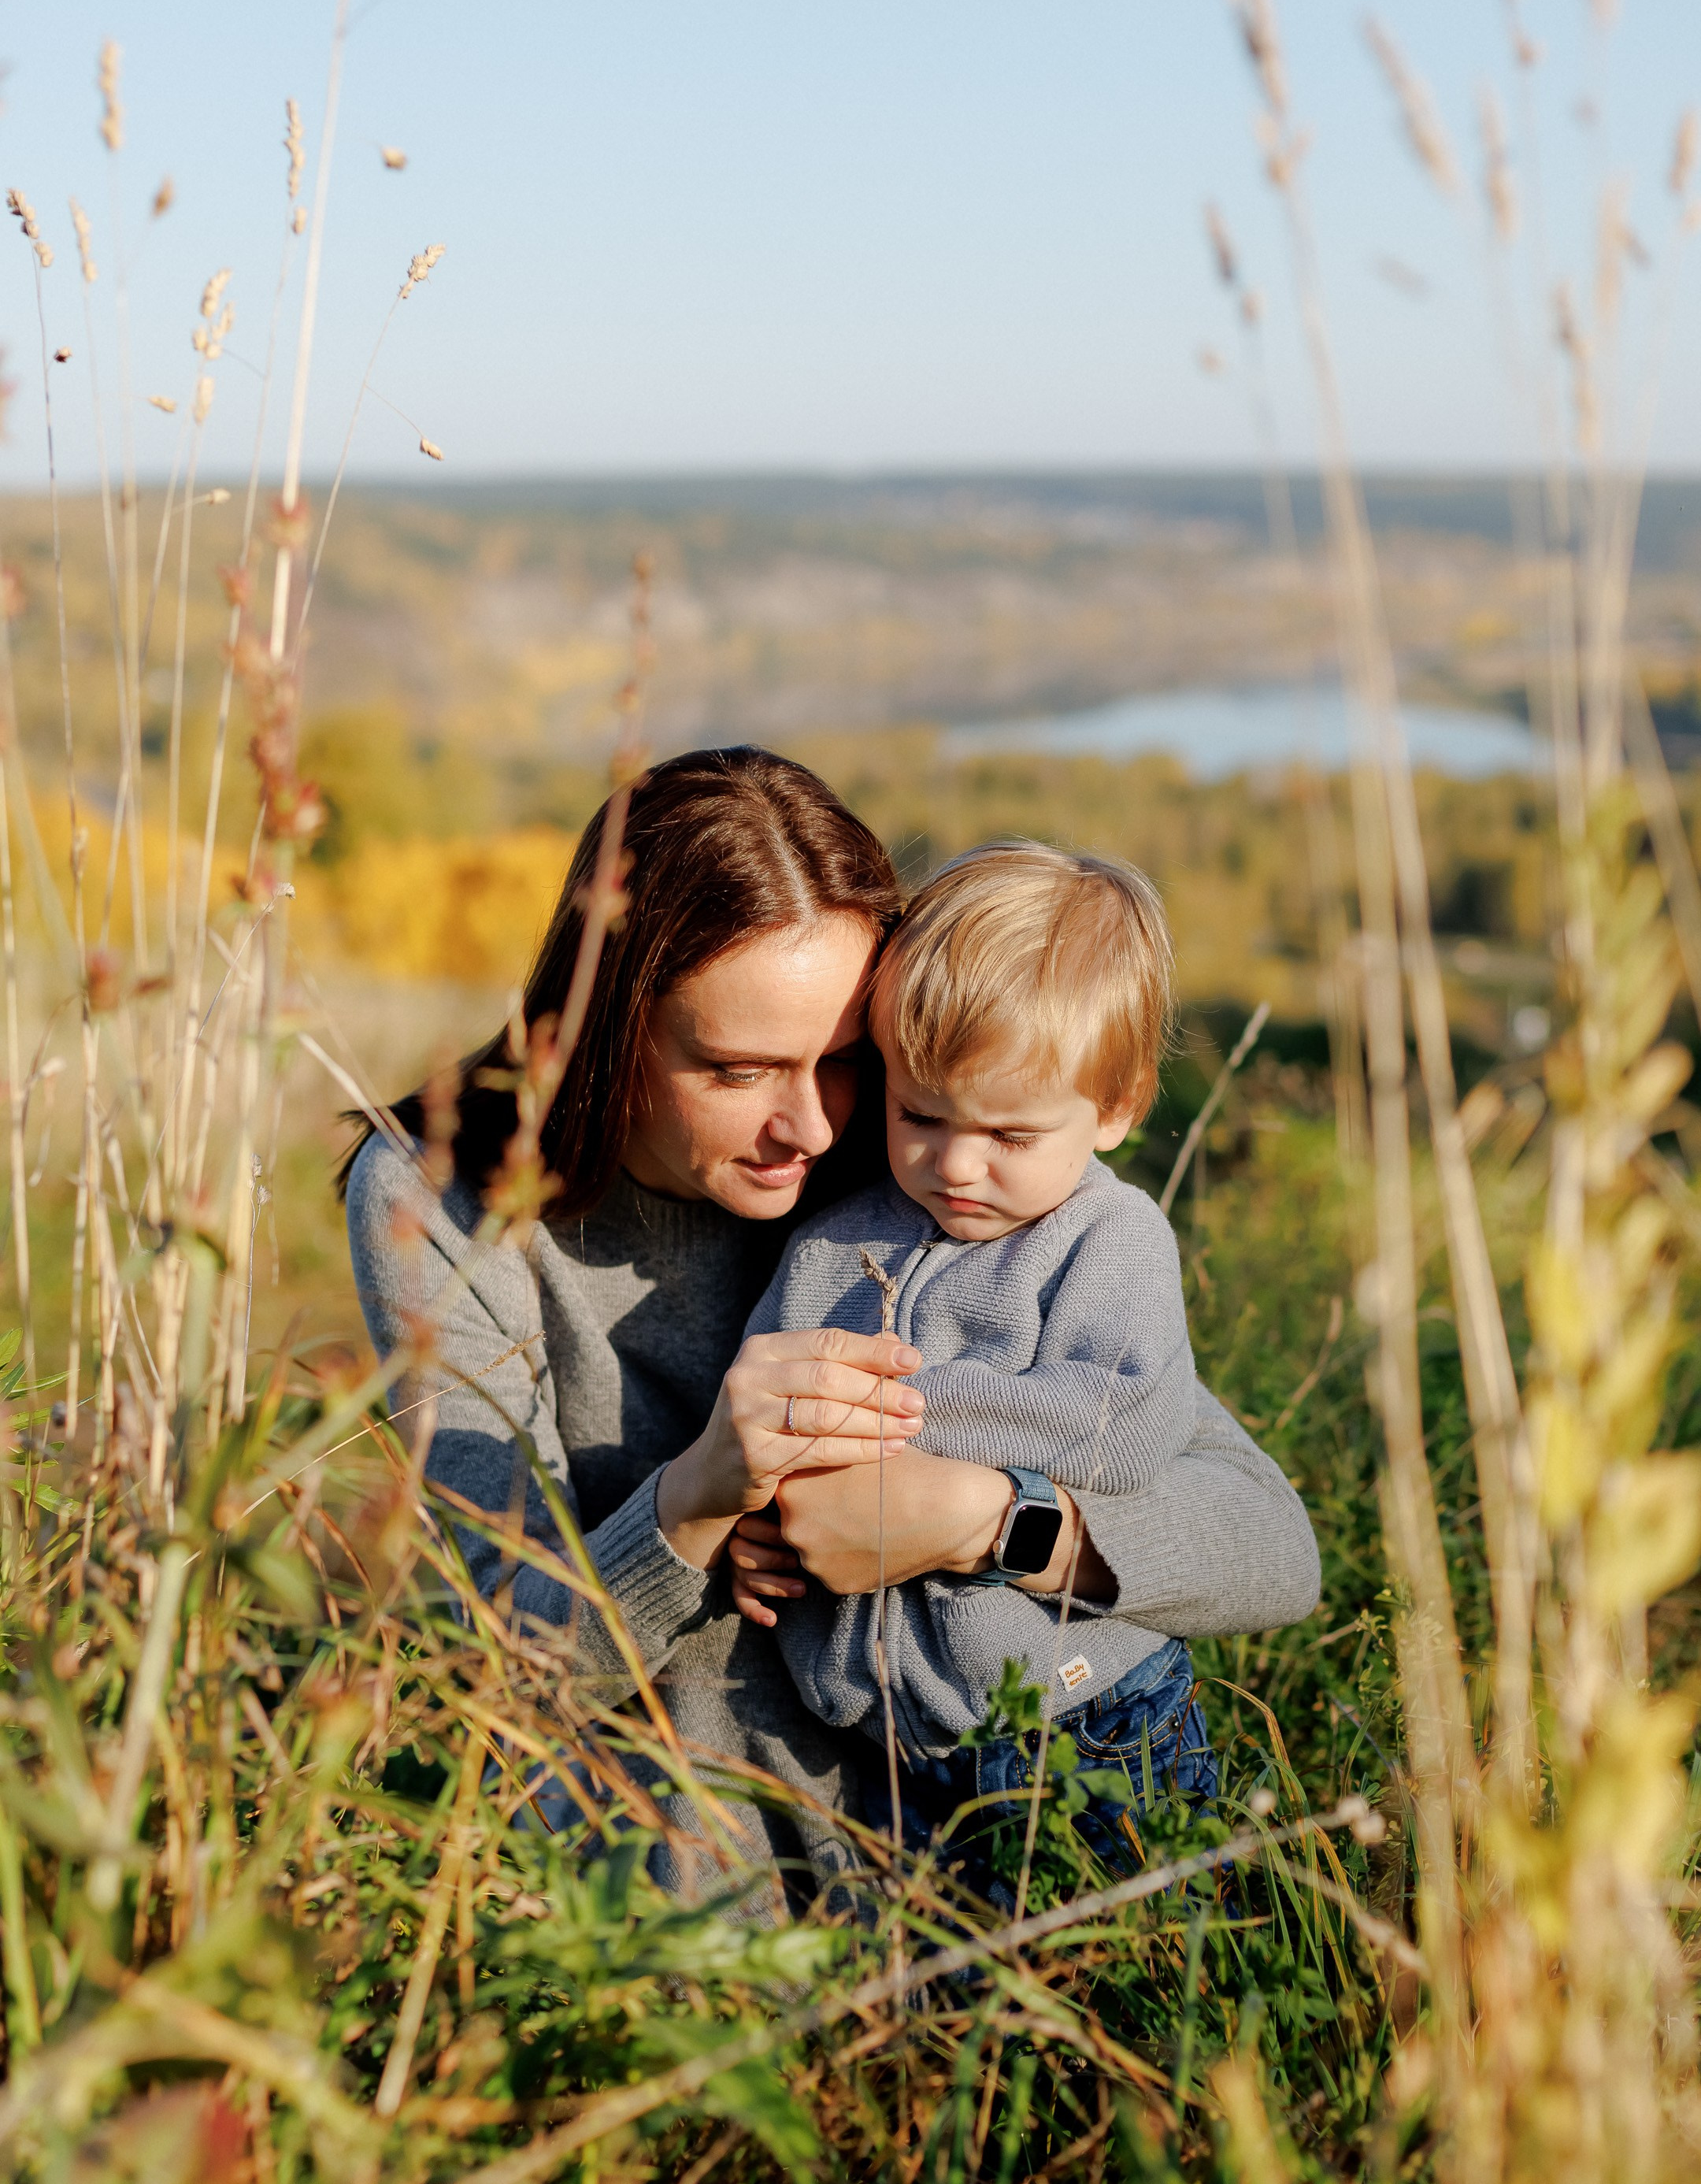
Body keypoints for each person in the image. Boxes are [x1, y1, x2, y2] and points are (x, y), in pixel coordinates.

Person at [344, 746, 1320, 1915]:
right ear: (608, 1025)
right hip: (679, 1897)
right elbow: (499, 1668)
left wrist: (981, 1518)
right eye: (739, 1069)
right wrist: (693, 1506)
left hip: (963, 1839)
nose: (808, 1126)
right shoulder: (442, 1199)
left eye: (846, 1062)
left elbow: (1268, 1545)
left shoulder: (920, 1162)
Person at [726, 840, 1215, 1891]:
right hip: (893, 1749)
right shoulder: (829, 1244)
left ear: (1117, 1109)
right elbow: (761, 1411)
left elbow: (1122, 1424)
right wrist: (749, 1530)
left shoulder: (1110, 1240)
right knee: (954, 1980)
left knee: (1123, 1953)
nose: (954, 1164)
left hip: (1080, 1714)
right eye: (920, 1115)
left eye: (1010, 1134)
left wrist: (876, 1420)